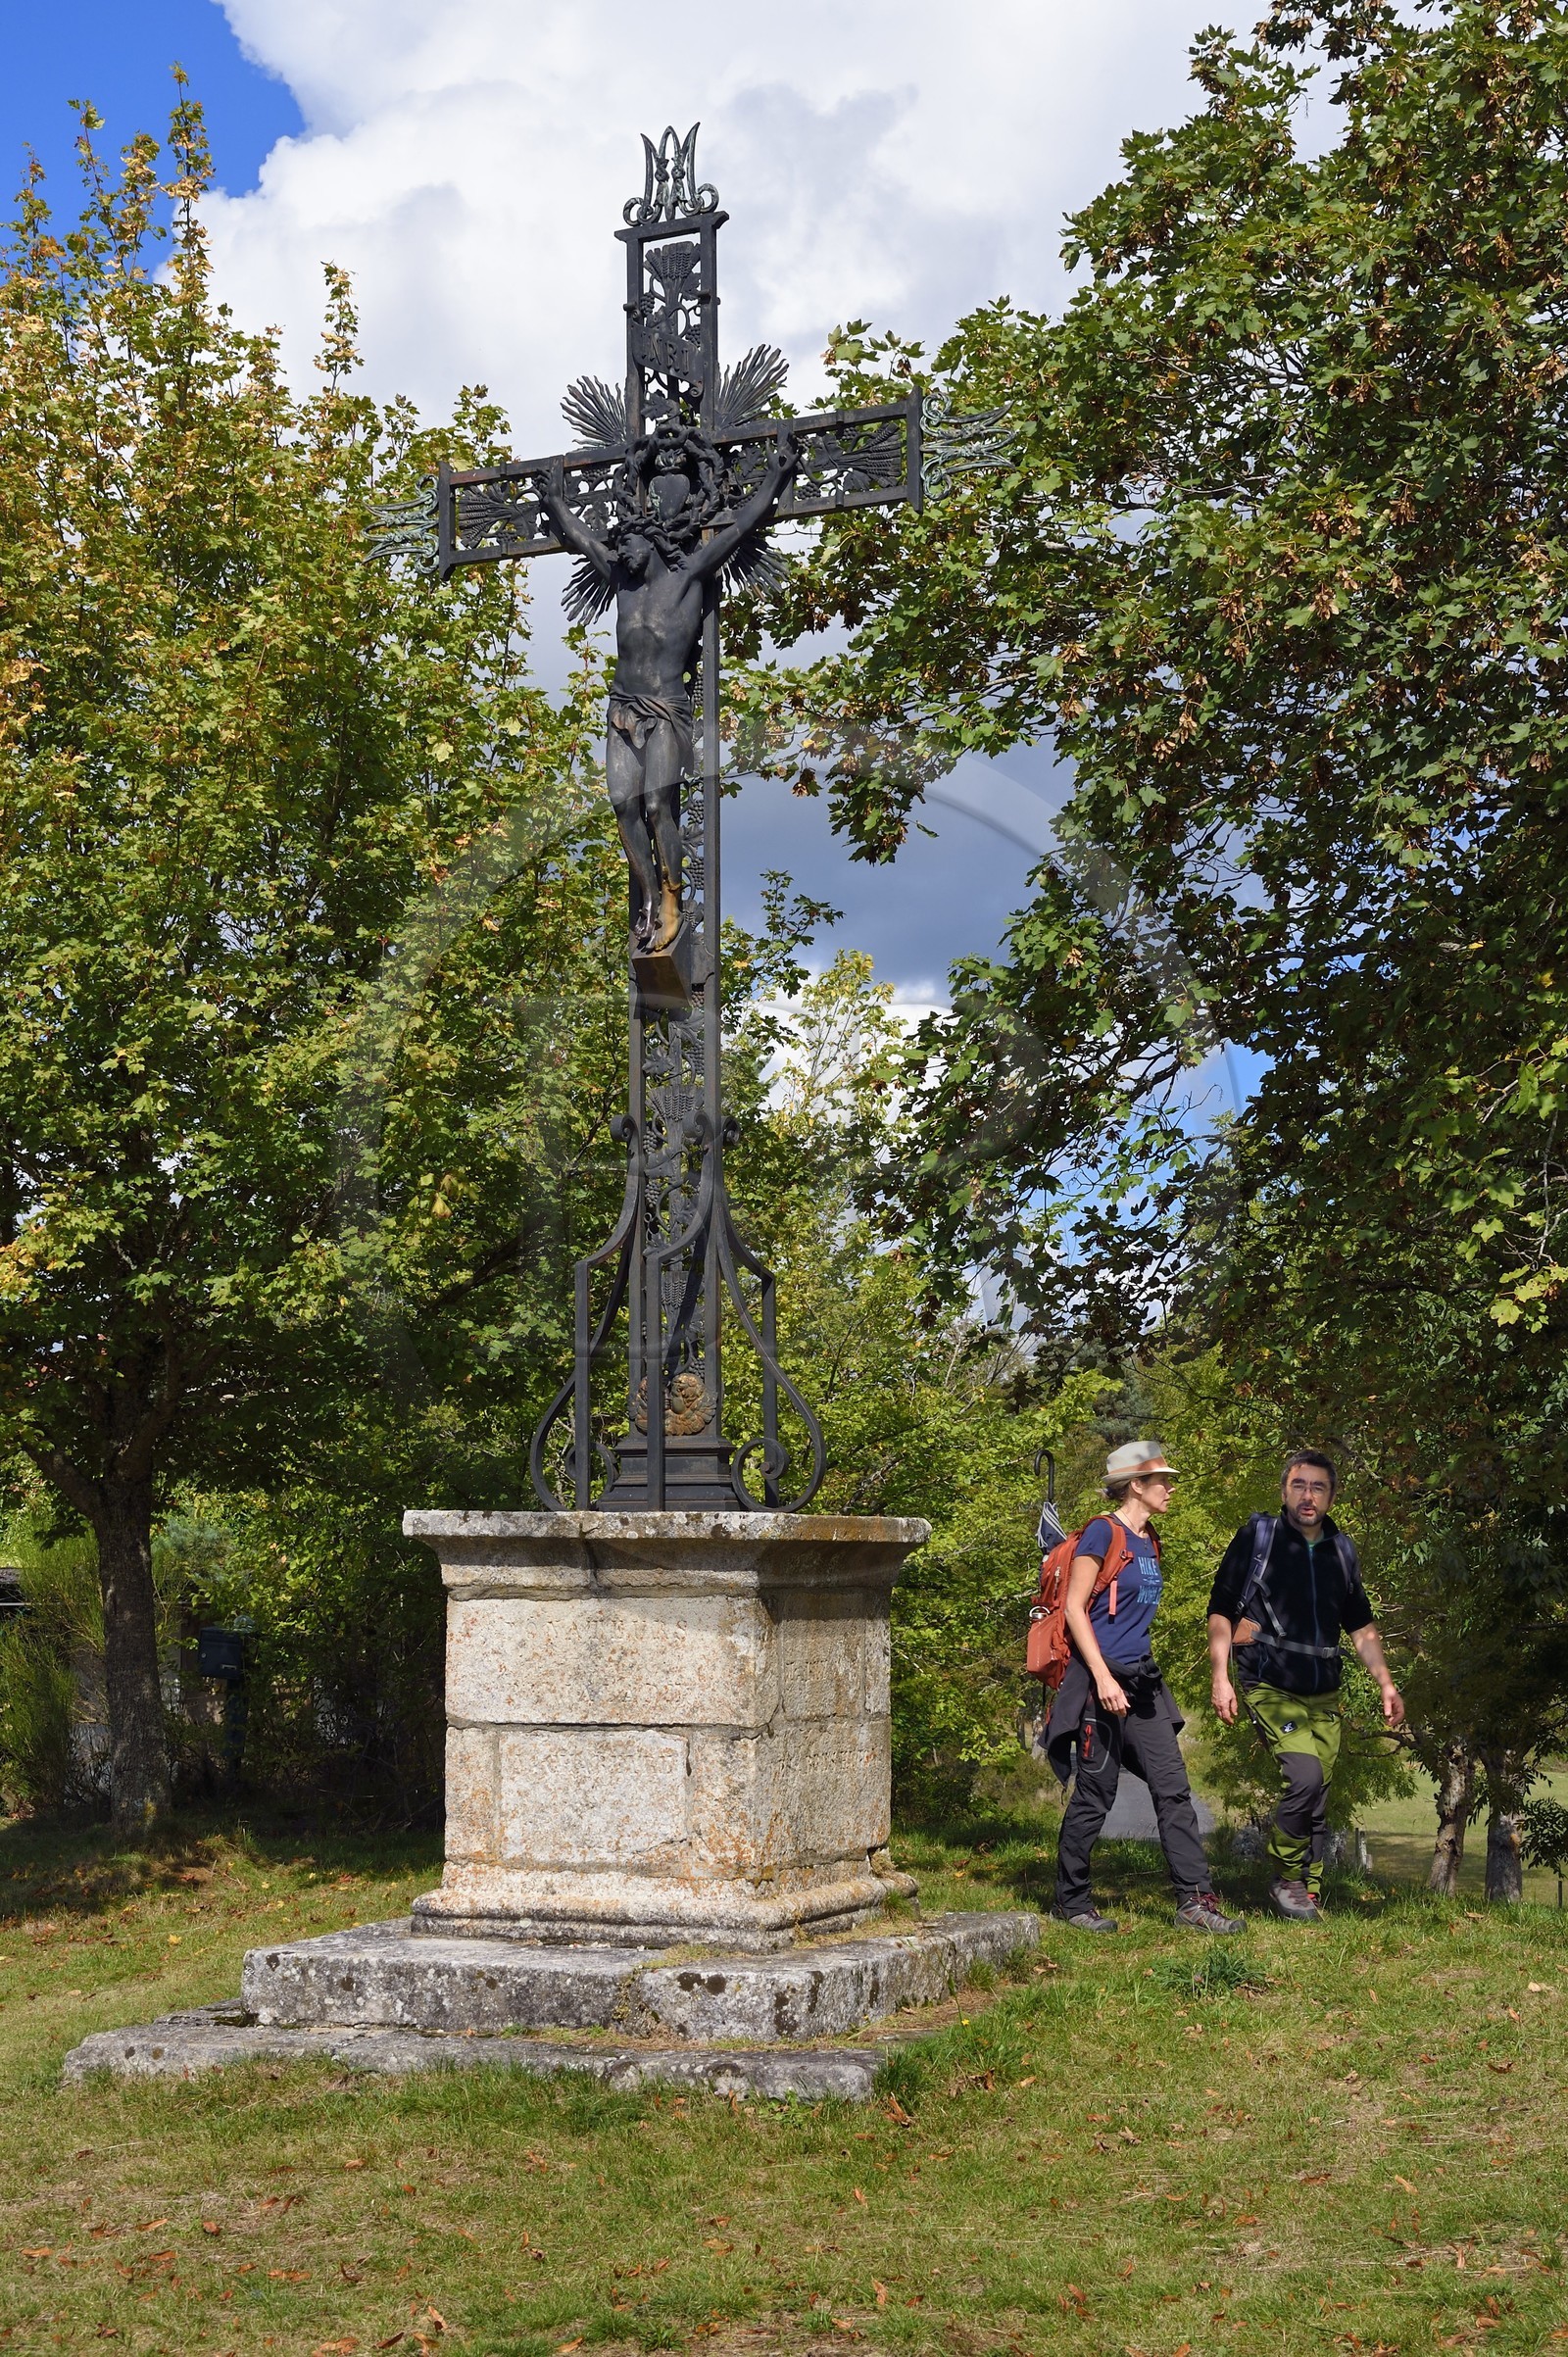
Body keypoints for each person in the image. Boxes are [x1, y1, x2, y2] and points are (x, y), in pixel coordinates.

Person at [1047, 1441, 1243, 1935]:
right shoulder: (1102, 1533)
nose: (1170, 1488)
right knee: (1096, 1793)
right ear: (1136, 1484)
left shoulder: (1149, 1538)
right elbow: (1074, 1610)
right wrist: (1104, 1677)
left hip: (1144, 1681)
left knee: (1173, 1789)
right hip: (1099, 1682)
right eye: (1162, 1481)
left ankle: (1195, 1903)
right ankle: (1072, 1903)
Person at [1207, 1450, 1405, 1922]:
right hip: (1268, 1682)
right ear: (1284, 1492)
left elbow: (1360, 1626)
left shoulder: (1342, 1550)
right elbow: (1221, 1610)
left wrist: (1386, 1683)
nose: (1308, 1495)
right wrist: (1220, 1678)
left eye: (1318, 1487)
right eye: (1299, 1485)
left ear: (1332, 1496)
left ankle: (1308, 1893)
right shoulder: (1259, 1537)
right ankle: (1286, 1879)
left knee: (1320, 1791)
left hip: (1324, 1690)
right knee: (1304, 1776)